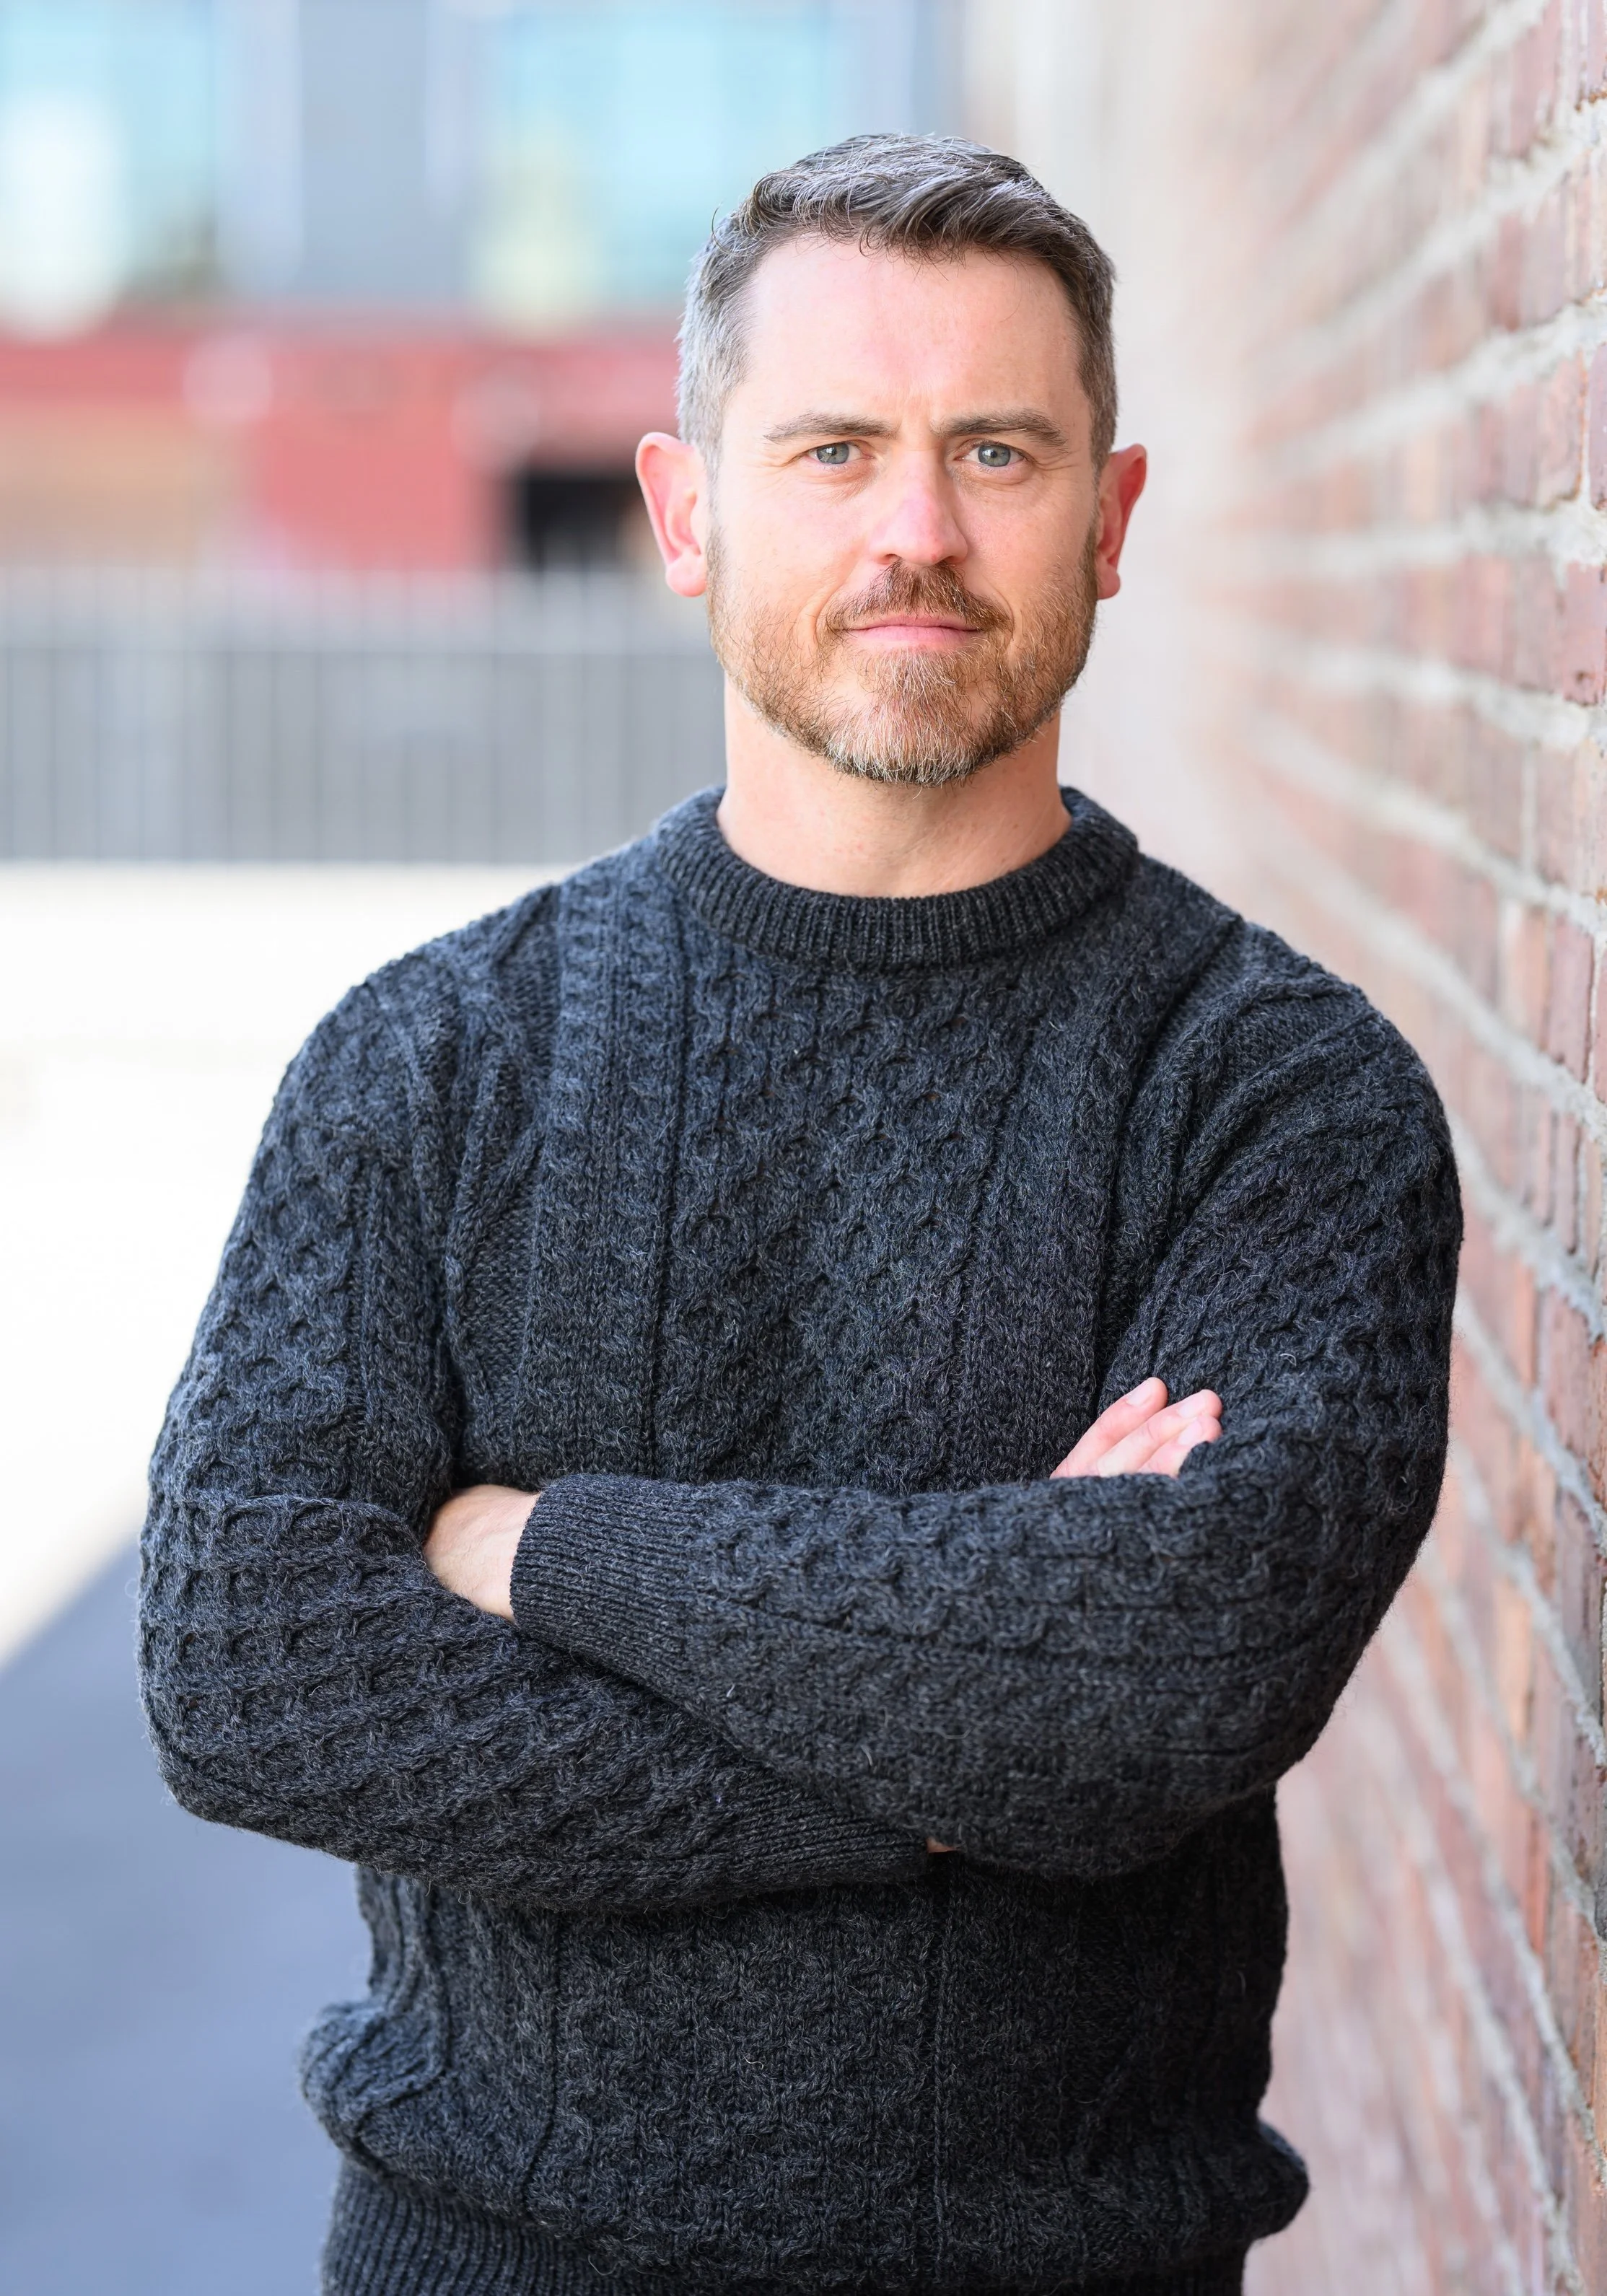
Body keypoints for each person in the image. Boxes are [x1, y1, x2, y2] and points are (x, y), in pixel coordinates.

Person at [139, 133, 1461, 2296]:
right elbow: (248, 1666)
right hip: (483, 2258)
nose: (916, 531)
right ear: (687, 511)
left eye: (999, 451)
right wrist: (983, 1749)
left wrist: (544, 1546)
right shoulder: (432, 1059)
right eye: (834, 447)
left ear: (1113, 521)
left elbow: (1179, 1667)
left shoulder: (1283, 1093)